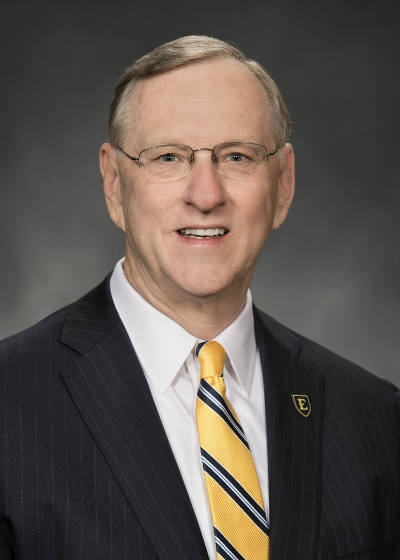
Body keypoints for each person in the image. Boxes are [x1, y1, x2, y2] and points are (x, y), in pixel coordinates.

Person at [0, 35, 398, 560]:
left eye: (237, 156)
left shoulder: (375, 418)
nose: (206, 195)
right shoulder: (10, 403)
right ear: (114, 183)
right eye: (168, 157)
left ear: (283, 185)